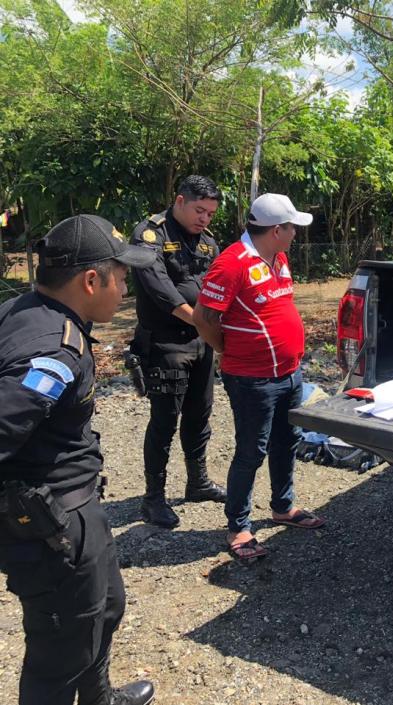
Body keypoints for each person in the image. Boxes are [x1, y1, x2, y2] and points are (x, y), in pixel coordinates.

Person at [0, 215, 157, 705]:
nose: (125, 289)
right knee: (60, 653)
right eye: (121, 277)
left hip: (77, 510)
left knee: (105, 608)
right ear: (91, 280)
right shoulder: (53, 351)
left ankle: (99, 698)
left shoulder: (28, 310)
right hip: (50, 527)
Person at [192, 193, 325, 563]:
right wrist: (226, 349)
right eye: (292, 227)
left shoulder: (279, 257)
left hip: (289, 373)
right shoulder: (231, 263)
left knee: (287, 442)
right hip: (252, 379)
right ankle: (238, 527)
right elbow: (203, 317)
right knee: (251, 451)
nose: (296, 233)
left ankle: (283, 507)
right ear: (276, 230)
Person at [130, 175, 226, 529]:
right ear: (180, 201)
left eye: (210, 214)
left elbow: (217, 284)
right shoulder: (150, 234)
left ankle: (197, 482)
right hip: (166, 342)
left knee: (200, 414)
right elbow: (159, 288)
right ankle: (153, 498)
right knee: (164, 420)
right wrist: (201, 321)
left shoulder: (207, 241)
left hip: (201, 341)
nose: (204, 219)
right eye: (200, 210)